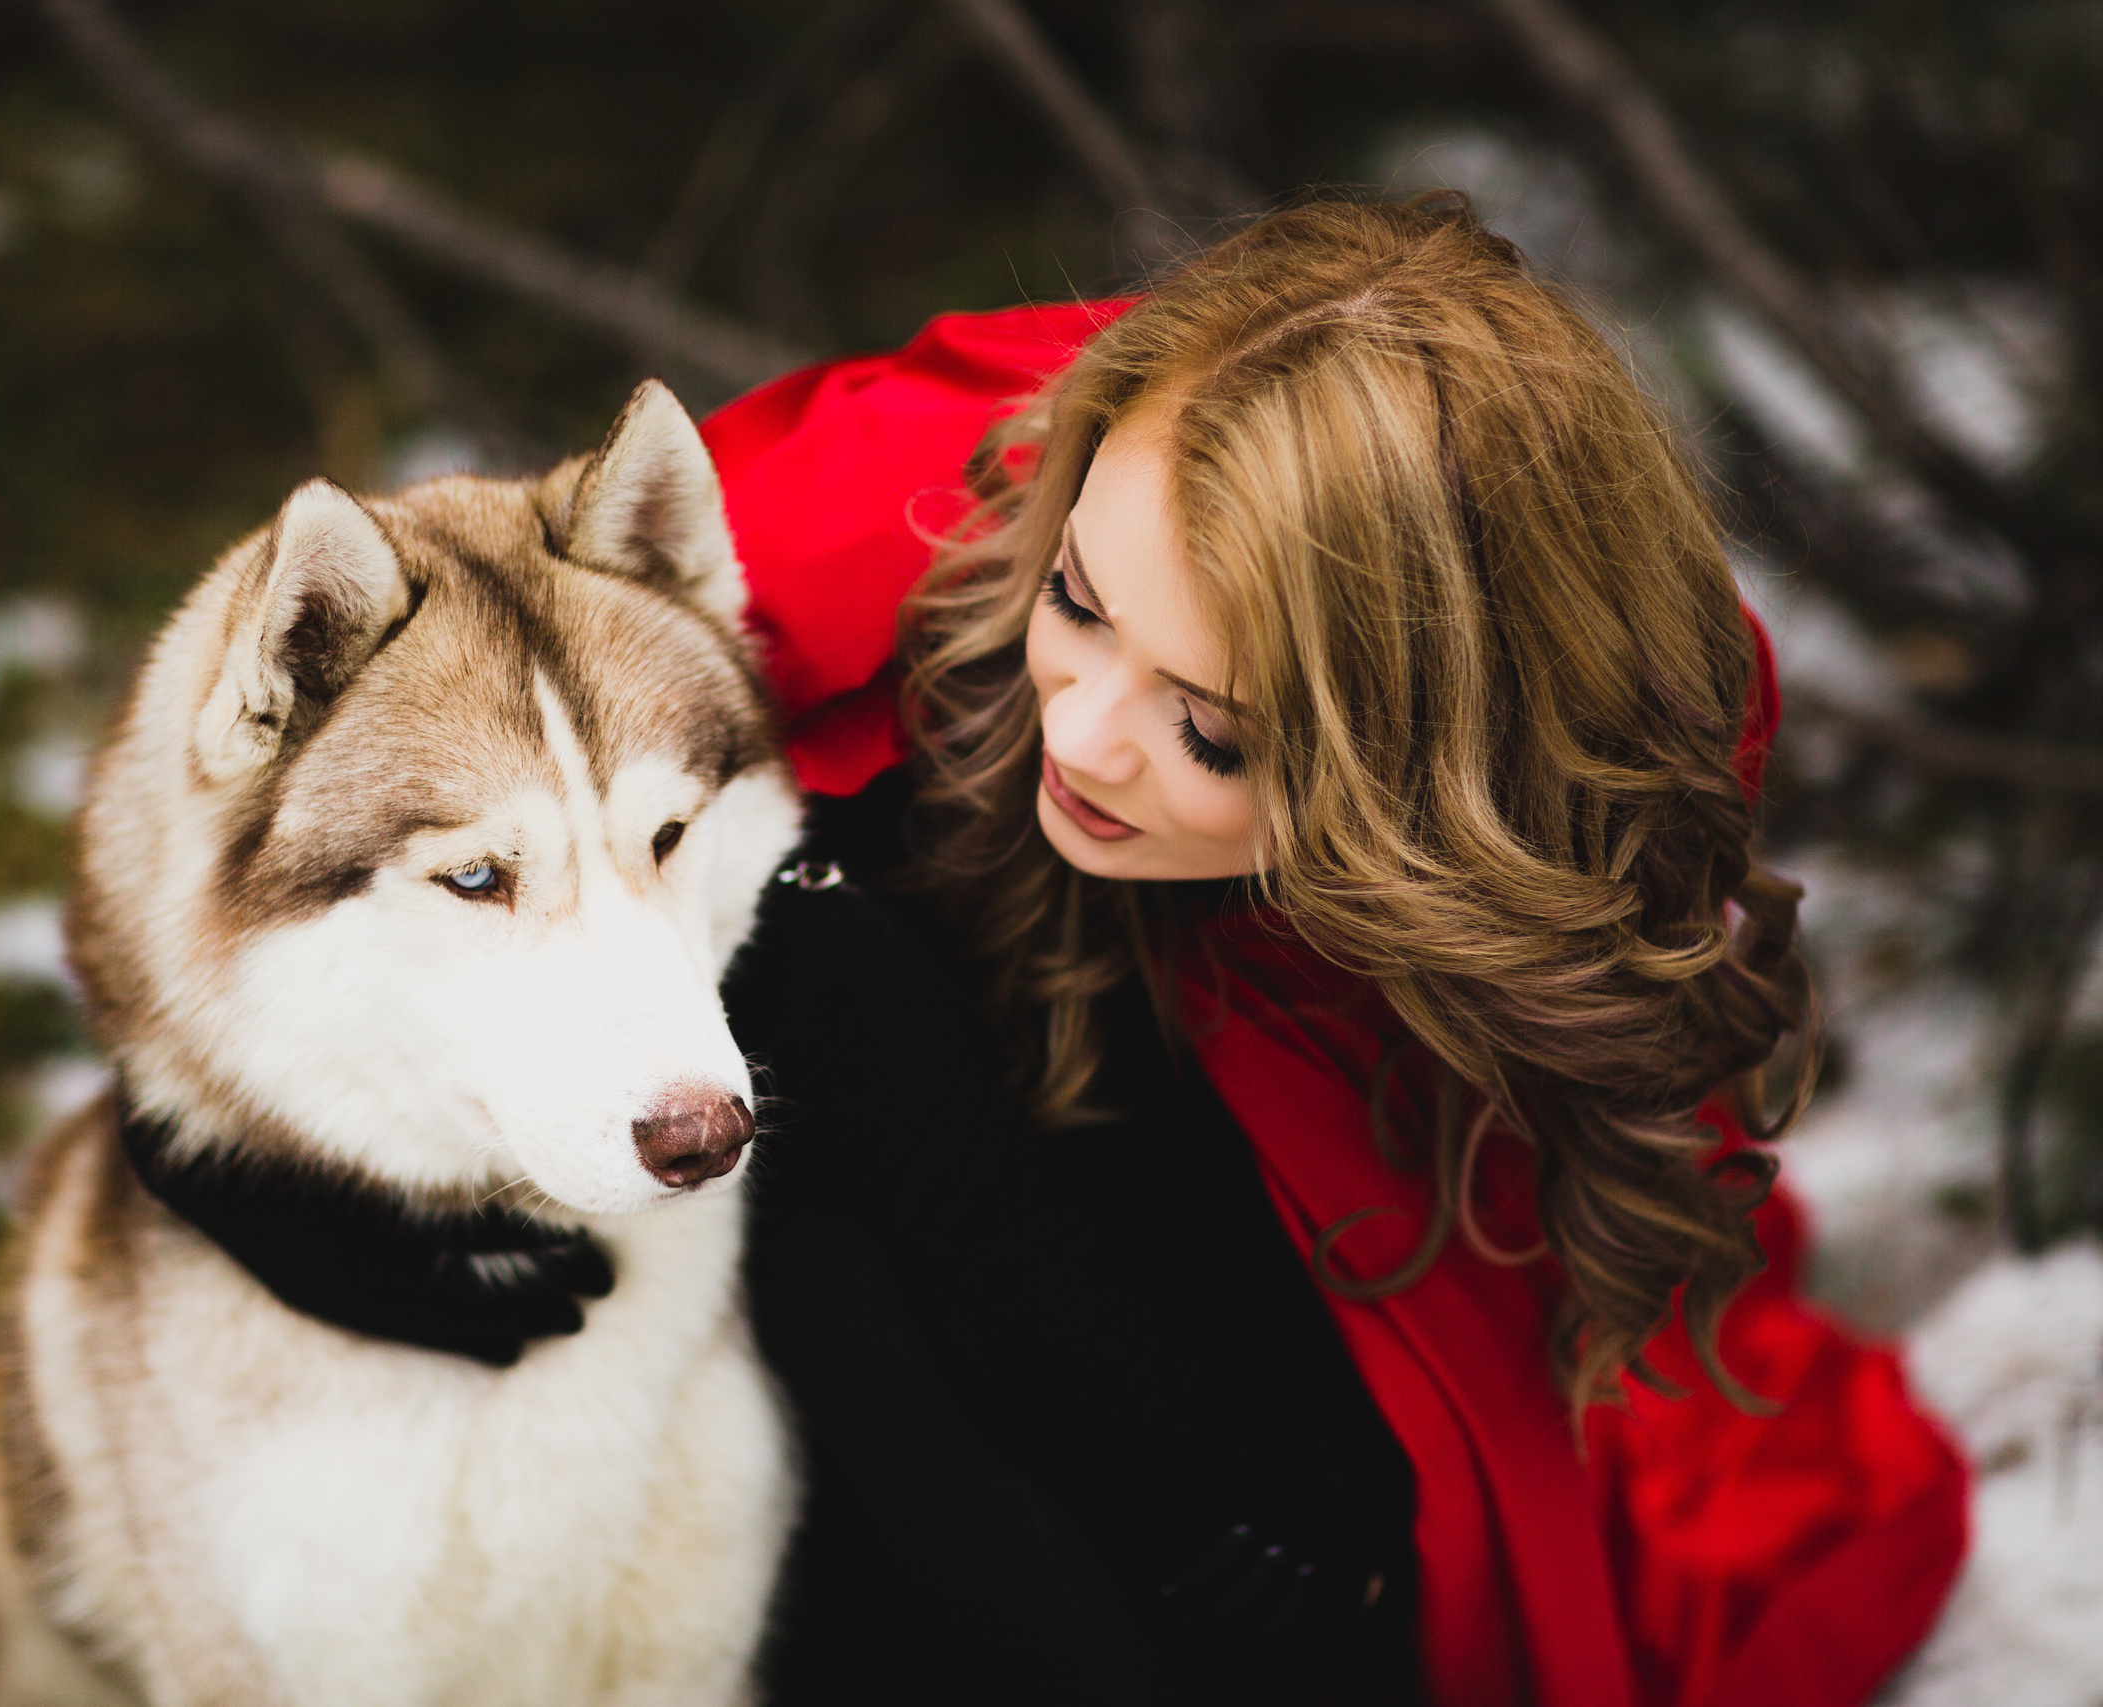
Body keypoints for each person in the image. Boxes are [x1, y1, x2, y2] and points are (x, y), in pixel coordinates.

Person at [705, 198, 1969, 1707]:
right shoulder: (983, 484)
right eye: (1079, 604)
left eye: (1212, 727)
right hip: (896, 1126)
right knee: (801, 1013)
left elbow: (1410, 1441)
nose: (1088, 736)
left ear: (1430, 781)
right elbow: (423, 675)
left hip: (1243, 1393)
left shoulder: (1556, 830)